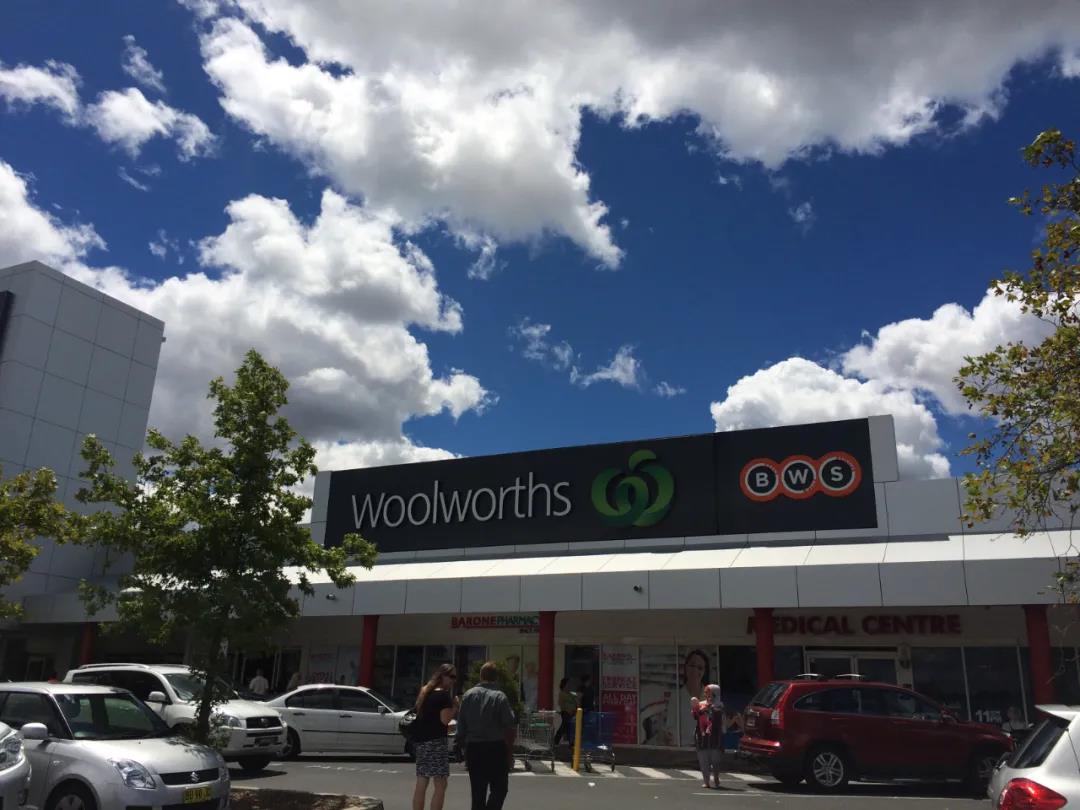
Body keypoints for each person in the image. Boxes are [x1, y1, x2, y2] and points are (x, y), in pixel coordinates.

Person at [456, 661, 517, 810]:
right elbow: (510, 722)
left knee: (478, 793)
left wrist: (460, 745)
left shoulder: (468, 695)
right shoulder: (500, 697)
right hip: (495, 747)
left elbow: (461, 724)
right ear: (496, 678)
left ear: (481, 676)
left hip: (474, 748)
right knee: (500, 788)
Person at [411, 663, 457, 810]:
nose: (453, 680)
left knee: (422, 781)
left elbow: (428, 719)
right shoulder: (444, 696)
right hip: (436, 743)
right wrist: (455, 707)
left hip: (422, 742)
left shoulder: (425, 692)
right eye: (452, 676)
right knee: (441, 784)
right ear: (442, 676)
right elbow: (445, 720)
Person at [692, 684, 725, 789]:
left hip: (715, 738)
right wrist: (696, 708)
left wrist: (709, 708)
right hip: (702, 738)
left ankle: (716, 779)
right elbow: (695, 716)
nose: (706, 695)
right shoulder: (701, 704)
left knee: (715, 762)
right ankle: (706, 781)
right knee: (703, 761)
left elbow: (717, 718)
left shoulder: (719, 706)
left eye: (709, 692)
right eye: (706, 692)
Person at [553, 677, 577, 751]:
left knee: (569, 727)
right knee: (564, 727)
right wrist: (567, 709)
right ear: (564, 685)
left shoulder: (571, 693)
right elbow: (560, 704)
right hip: (566, 713)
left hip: (572, 713)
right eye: (568, 684)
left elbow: (576, 698)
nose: (569, 685)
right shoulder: (562, 693)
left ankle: (571, 743)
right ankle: (556, 741)